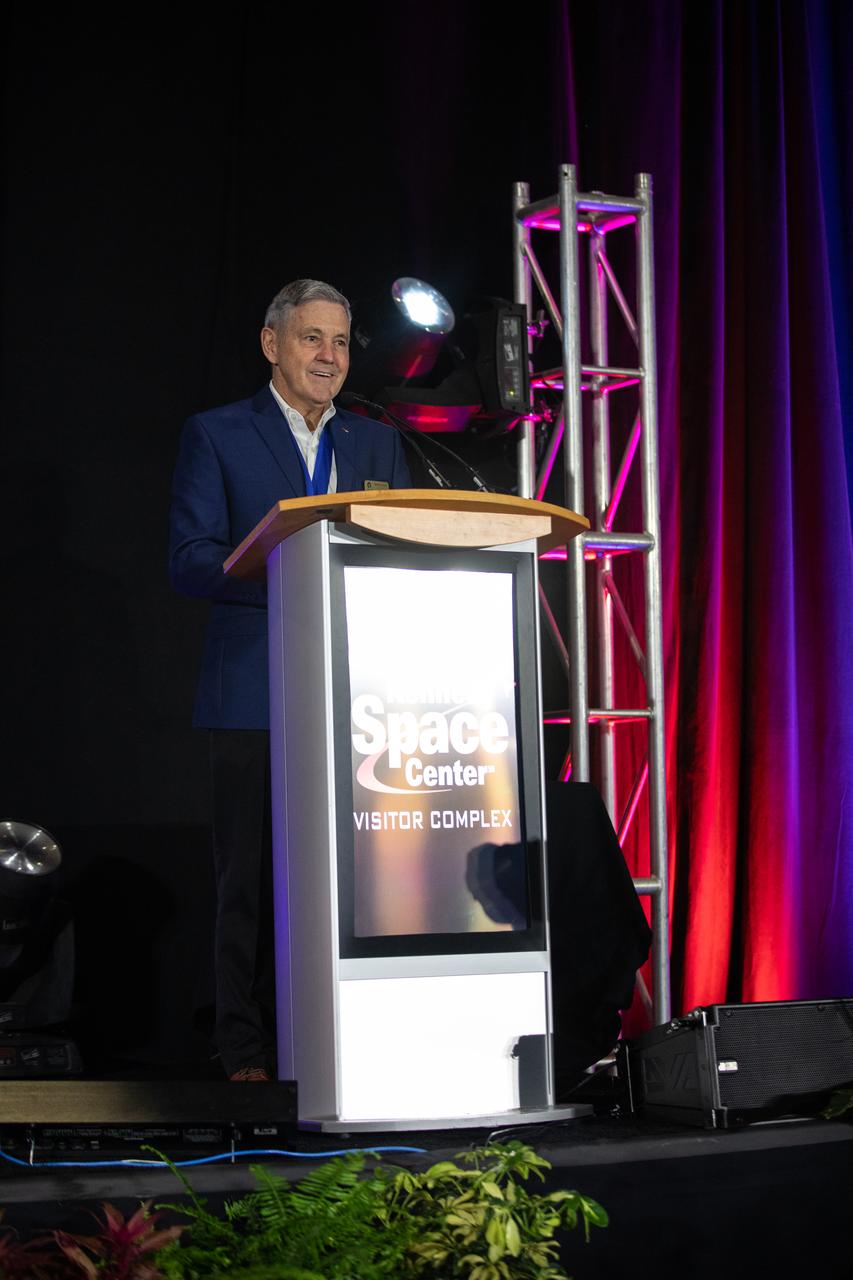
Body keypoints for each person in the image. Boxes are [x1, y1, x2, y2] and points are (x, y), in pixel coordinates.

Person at [168, 278, 411, 1081]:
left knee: (352, 879)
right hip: (253, 689)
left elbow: (395, 546)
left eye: (339, 342)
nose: (329, 357)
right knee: (249, 879)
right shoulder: (217, 433)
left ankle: (342, 1038)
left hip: (357, 695)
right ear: (272, 344)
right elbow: (191, 560)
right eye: (312, 338)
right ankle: (243, 1047)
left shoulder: (375, 442)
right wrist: (286, 564)